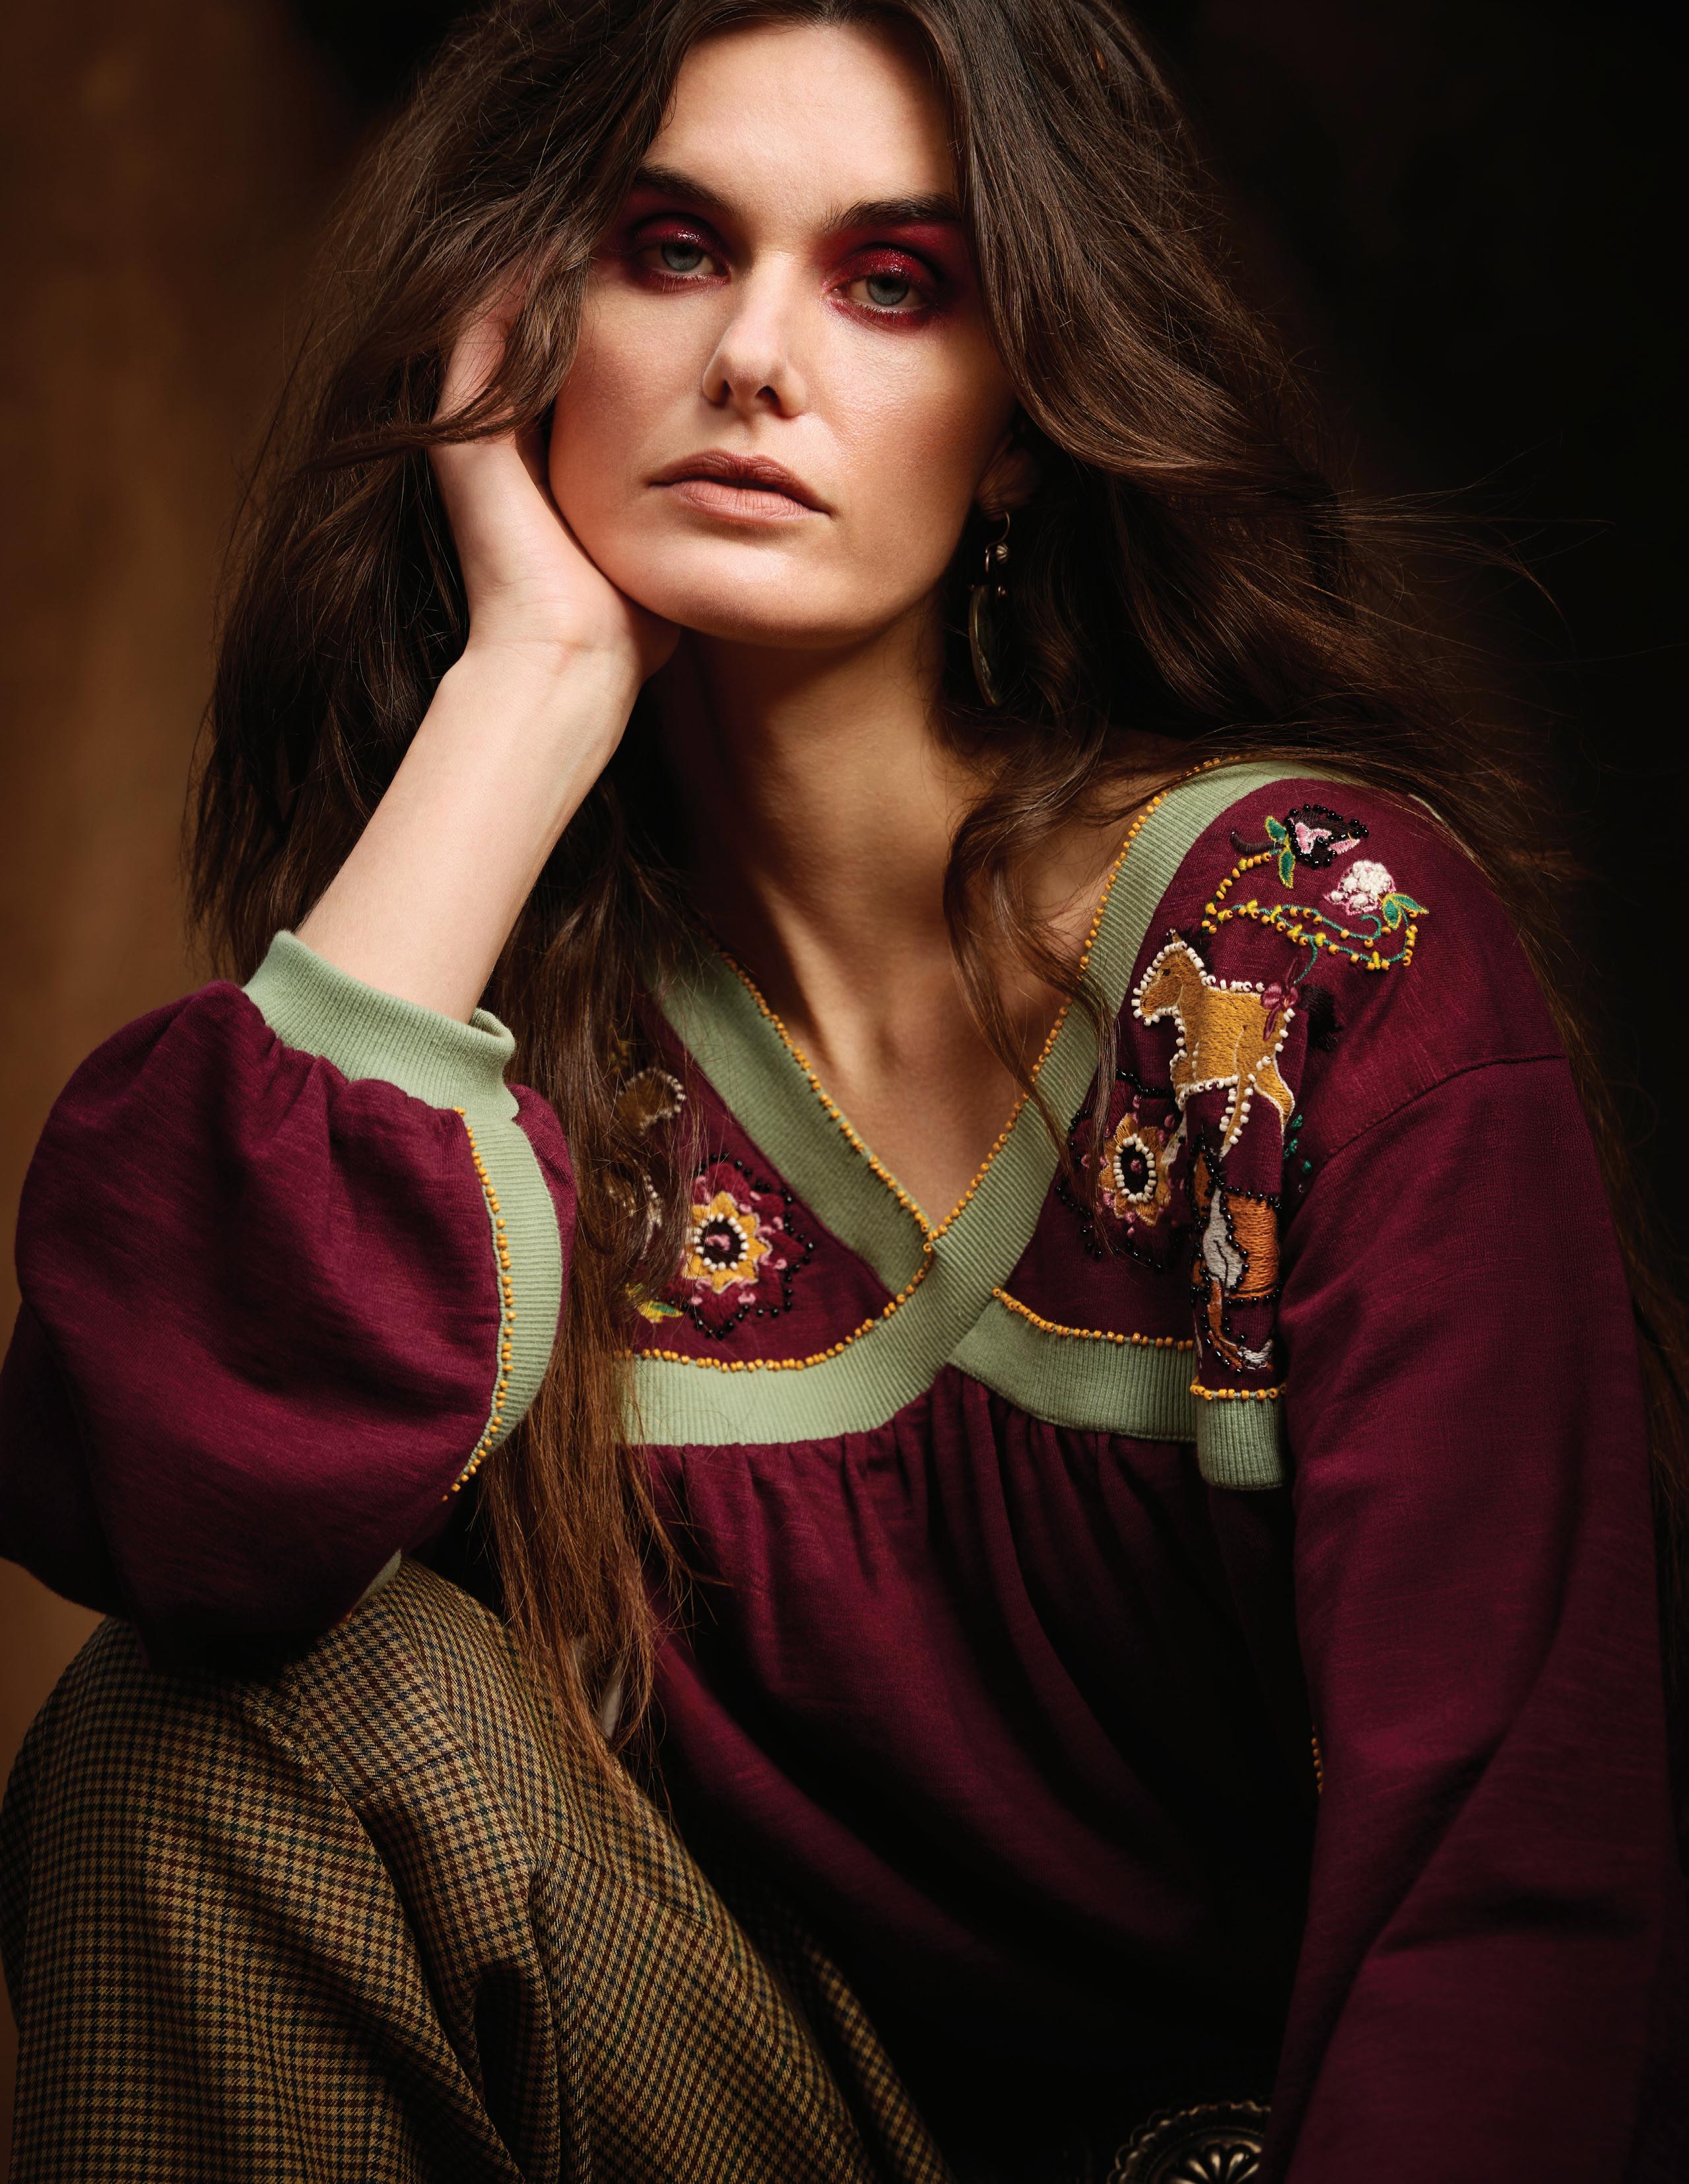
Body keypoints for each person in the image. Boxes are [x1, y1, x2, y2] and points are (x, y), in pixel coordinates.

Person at [2, 1, 1685, 2179]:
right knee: (192, 1738)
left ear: (1020, 420)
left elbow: (1519, 1884)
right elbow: (166, 1514)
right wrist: (529, 687)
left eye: (892, 283)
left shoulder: (1318, 949)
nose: (754, 361)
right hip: (790, 2126)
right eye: (672, 248)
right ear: (520, 328)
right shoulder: (495, 1029)